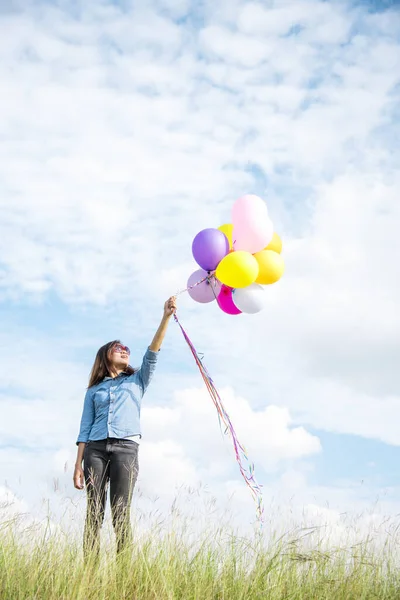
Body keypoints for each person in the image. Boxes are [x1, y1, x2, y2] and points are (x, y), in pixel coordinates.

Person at [73, 296, 177, 565]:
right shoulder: (94, 390)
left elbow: (152, 353)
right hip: (94, 450)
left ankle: (124, 574)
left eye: (126, 348)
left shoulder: (137, 381)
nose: (124, 350)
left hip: (126, 450)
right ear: (105, 355)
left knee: (121, 513)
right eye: (118, 348)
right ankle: (89, 574)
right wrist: (77, 465)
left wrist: (165, 317)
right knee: (94, 513)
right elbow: (84, 428)